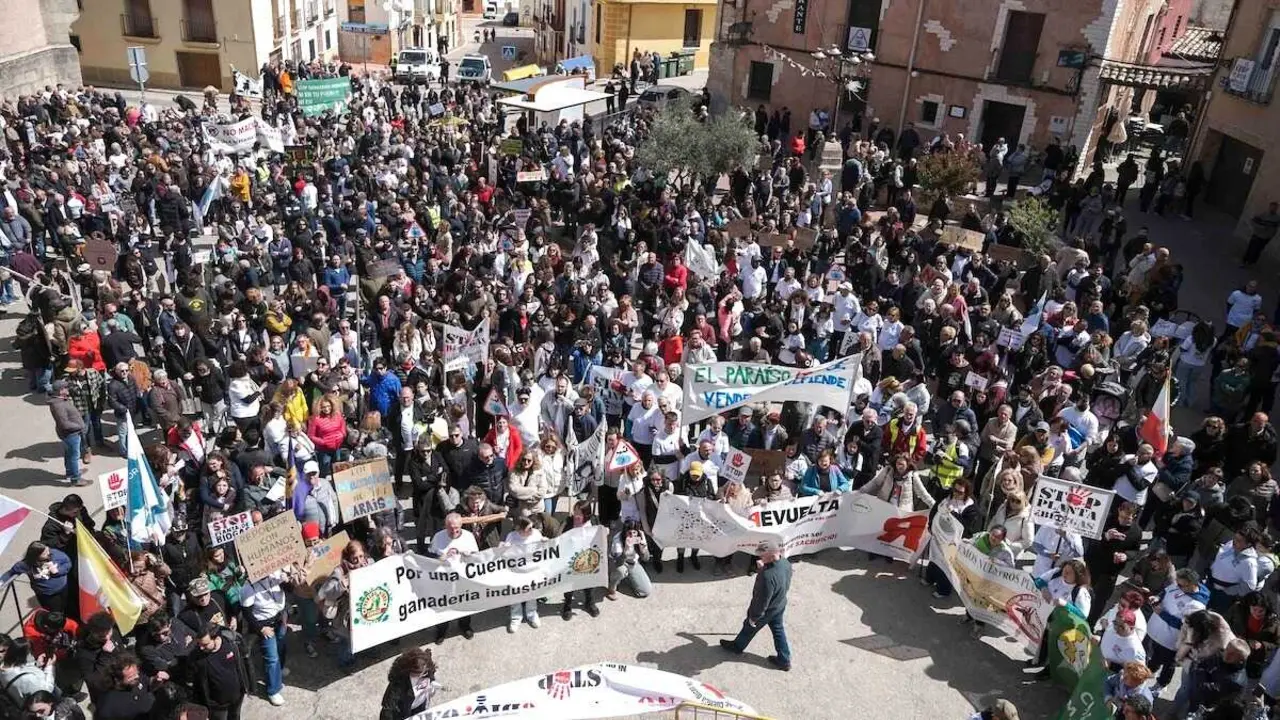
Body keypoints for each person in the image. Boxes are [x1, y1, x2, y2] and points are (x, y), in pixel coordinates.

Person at [719, 539, 793, 671]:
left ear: (771, 555)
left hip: (767, 610)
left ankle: (737, 646)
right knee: (778, 630)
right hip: (780, 604)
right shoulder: (786, 563)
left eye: (762, 556)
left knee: (749, 627)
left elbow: (761, 600)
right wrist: (764, 567)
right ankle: (784, 659)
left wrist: (753, 617)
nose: (759, 557)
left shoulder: (767, 576)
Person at [189, 622, 251, 720]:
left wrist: (249, 686)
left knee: (235, 717)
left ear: (217, 638)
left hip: (237, 697)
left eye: (205, 644)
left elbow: (245, 664)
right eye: (199, 644)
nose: (201, 648)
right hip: (217, 706)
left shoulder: (233, 643)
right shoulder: (197, 658)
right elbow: (197, 683)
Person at [379, 648, 440, 720]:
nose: (423, 675)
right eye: (419, 673)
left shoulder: (427, 666)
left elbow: (431, 673)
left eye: (425, 672)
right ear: (409, 671)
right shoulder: (398, 684)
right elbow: (388, 708)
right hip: (404, 711)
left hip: (421, 705)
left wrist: (432, 683)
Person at [47, 380, 89, 486]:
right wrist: (80, 426)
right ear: (61, 391)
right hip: (71, 434)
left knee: (69, 454)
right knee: (74, 456)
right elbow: (65, 424)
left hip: (70, 434)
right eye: (65, 388)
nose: (67, 389)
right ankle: (76, 479)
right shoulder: (58, 405)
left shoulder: (60, 400)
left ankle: (71, 472)